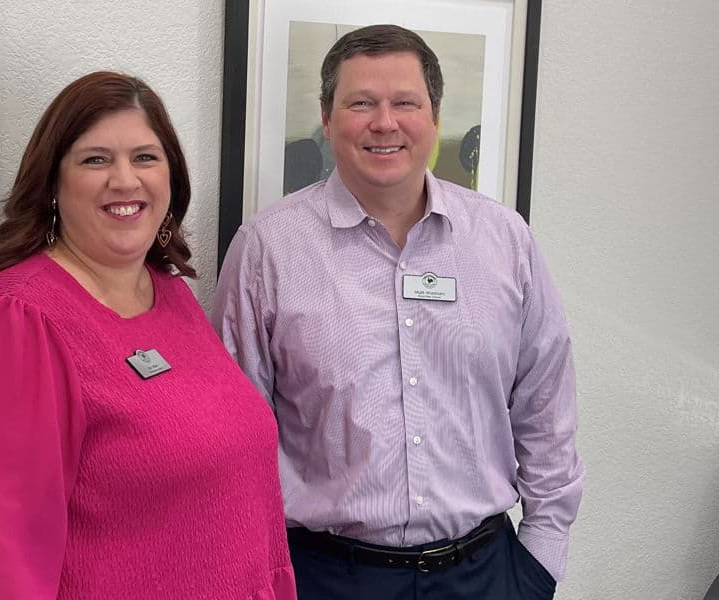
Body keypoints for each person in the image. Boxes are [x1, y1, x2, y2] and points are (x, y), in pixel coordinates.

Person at [212, 24, 583, 599]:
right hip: (326, 577)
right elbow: (234, 439)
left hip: (487, 574)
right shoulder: (267, 249)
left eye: (405, 103)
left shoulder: (505, 240)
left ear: (433, 117)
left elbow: (545, 408)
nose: (384, 122)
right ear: (327, 118)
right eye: (361, 103)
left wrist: (539, 564)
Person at [0, 71, 296, 600]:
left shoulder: (170, 294)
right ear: (52, 184)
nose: (125, 181)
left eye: (145, 157)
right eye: (95, 159)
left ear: (171, 178)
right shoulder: (17, 321)